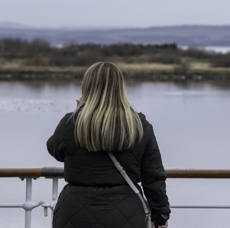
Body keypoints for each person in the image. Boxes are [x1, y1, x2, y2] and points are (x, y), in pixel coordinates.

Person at [47, 61, 170, 228]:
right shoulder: (139, 124)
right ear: (120, 87)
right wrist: (160, 213)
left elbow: (55, 150)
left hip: (75, 213)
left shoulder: (71, 122)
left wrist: (79, 112)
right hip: (126, 212)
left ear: (87, 86)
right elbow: (153, 176)